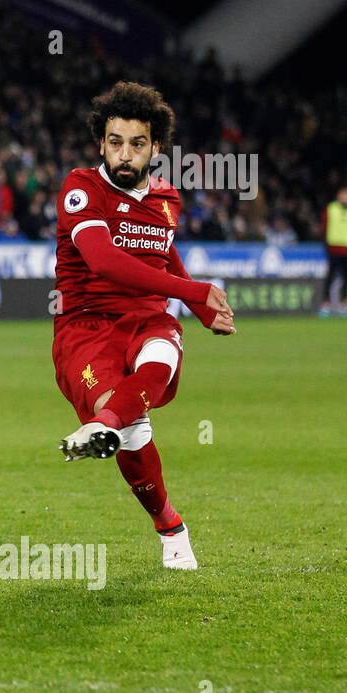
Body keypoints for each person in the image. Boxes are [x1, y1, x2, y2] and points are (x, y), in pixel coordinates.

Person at [52, 82, 235, 571]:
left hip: (149, 317)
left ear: (156, 148)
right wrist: (197, 292)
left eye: (137, 143)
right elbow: (106, 261)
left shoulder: (168, 198)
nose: (125, 153)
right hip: (86, 328)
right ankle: (171, 527)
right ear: (101, 143)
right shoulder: (81, 188)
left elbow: (163, 250)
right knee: (134, 430)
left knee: (160, 359)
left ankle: (101, 426)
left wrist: (195, 306)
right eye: (115, 142)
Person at [319, 187, 347, 317]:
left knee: (346, 278)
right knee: (330, 276)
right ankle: (326, 305)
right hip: (333, 248)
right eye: (343, 194)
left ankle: (343, 305)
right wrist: (325, 243)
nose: (345, 197)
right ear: (338, 196)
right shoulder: (331, 209)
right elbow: (324, 226)